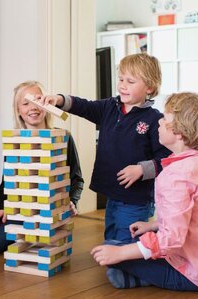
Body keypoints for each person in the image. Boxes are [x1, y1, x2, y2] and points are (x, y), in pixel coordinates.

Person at [91, 92, 198, 291]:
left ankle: (130, 278)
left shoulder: (175, 176)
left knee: (112, 247)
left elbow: (170, 240)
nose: (159, 122)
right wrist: (153, 225)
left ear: (180, 132)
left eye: (165, 118)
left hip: (194, 275)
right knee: (125, 245)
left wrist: (119, 254)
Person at [38, 53, 171, 243]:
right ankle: (115, 264)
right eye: (121, 79)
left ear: (149, 87)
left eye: (130, 81)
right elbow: (84, 106)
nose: (123, 85)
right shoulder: (110, 106)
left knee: (128, 240)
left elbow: (166, 158)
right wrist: (58, 100)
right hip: (112, 194)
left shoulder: (154, 119)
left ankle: (129, 266)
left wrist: (142, 169)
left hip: (136, 199)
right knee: (111, 237)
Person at [0, 80, 84, 254]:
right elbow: (7, 181)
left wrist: (72, 201)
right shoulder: (16, 142)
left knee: (42, 244)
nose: (33, 107)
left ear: (47, 104)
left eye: (37, 101)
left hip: (49, 214)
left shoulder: (63, 138)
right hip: (20, 213)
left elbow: (76, 178)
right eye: (26, 103)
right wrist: (1, 208)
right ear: (19, 111)